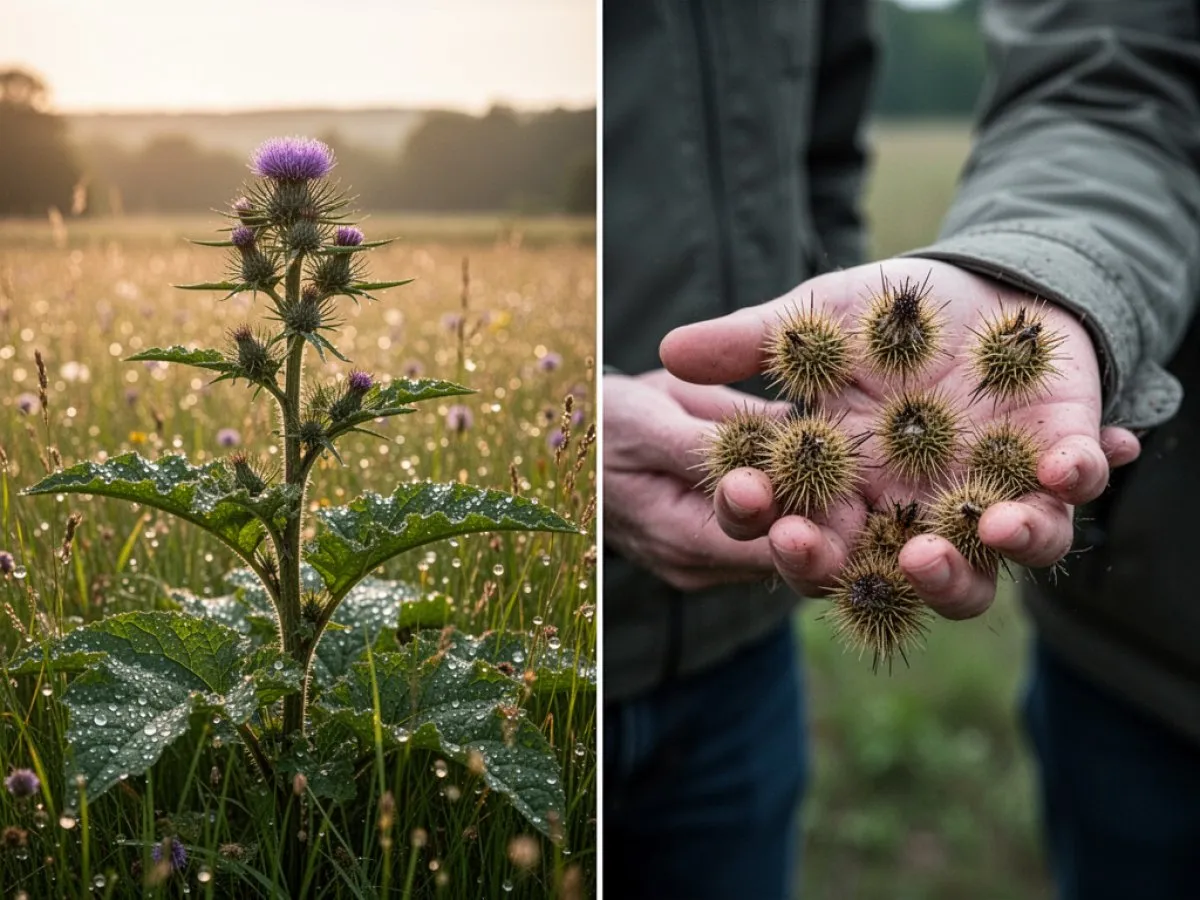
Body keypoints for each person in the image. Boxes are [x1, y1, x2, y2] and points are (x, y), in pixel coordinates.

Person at [604, 2, 1200, 899]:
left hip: (742, 645)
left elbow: (826, 161)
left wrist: (1050, 294)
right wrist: (570, 416)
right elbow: (1112, 74)